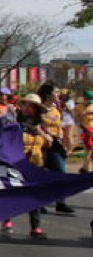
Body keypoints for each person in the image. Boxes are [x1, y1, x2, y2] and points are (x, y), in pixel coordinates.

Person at [8, 93, 49, 239]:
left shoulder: (40, 124)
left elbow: (49, 142)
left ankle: (35, 227)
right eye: (27, 104)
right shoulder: (13, 121)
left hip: (35, 164)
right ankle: (7, 216)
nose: (29, 108)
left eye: (33, 106)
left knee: (34, 195)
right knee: (13, 193)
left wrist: (43, 134)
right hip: (16, 164)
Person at [38, 83, 76, 215]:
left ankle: (60, 202)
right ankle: (39, 202)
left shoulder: (58, 108)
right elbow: (37, 125)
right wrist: (48, 134)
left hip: (56, 145)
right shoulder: (40, 108)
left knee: (61, 172)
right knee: (42, 174)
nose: (58, 94)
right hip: (41, 144)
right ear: (48, 95)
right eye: (56, 92)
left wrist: (65, 142)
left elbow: (62, 127)